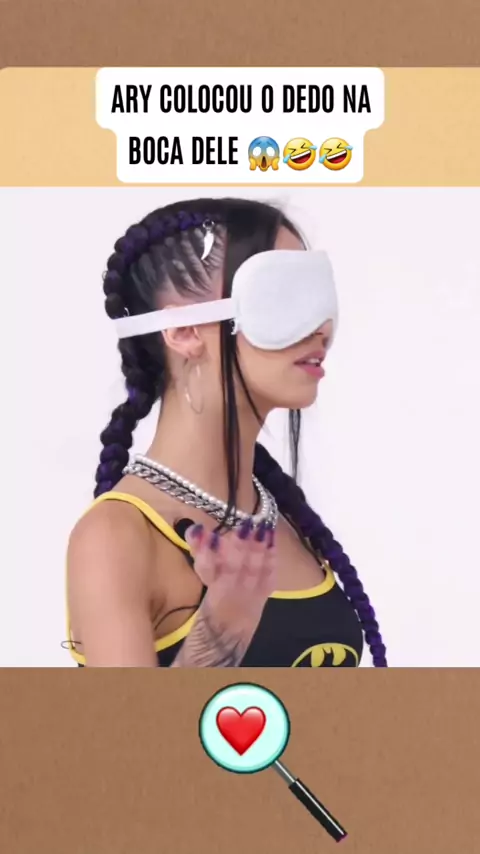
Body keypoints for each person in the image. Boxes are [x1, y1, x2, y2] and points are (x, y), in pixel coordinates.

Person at [66, 197, 387, 668]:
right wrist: (222, 629)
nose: (320, 327)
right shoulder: (116, 537)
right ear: (183, 331)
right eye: (282, 296)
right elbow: (126, 722)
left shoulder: (284, 519)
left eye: (318, 297)